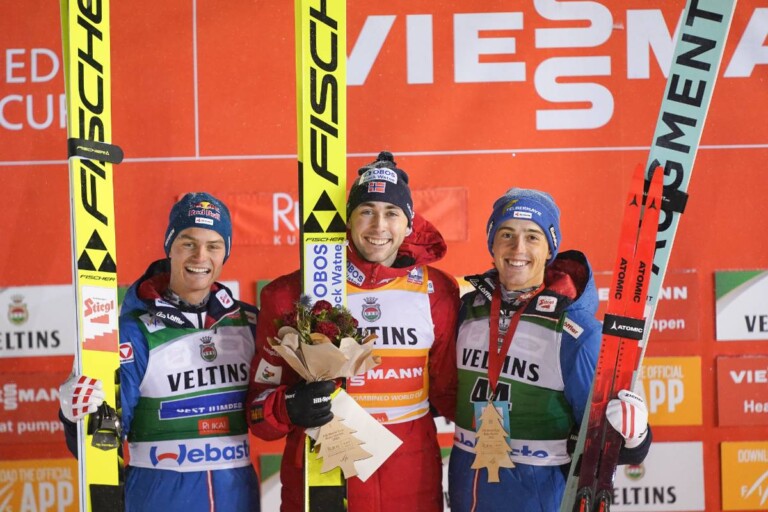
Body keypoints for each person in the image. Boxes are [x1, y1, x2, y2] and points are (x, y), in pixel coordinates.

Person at [247, 151, 460, 511]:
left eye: (391, 213)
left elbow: (451, 393)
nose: (379, 226)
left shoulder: (436, 291)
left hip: (410, 479)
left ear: (409, 224)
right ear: (348, 220)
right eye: (366, 211)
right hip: (322, 477)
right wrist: (288, 407)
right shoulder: (292, 294)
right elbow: (258, 414)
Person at [448, 188, 652, 511]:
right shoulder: (466, 310)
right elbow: (437, 392)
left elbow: (611, 448)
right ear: (492, 243)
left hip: (539, 499)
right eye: (506, 234)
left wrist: (636, 433)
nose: (518, 248)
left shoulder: (574, 332)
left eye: (533, 237)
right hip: (466, 496)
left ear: (549, 250)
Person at [58, 192, 261, 511]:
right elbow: (103, 440)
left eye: (213, 246)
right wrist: (75, 418)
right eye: (188, 243)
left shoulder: (250, 322)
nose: (200, 257)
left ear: (226, 253)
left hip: (236, 494)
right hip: (158, 494)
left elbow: (272, 411)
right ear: (170, 247)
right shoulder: (130, 330)